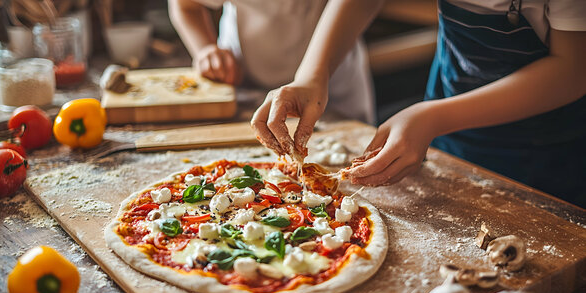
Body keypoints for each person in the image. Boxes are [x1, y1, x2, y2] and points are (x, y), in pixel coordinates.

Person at [250, 0, 586, 208]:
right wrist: (311, 77)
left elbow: (574, 69)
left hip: (547, 146)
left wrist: (434, 117)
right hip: (446, 102)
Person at [168, 0, 376, 124]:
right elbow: (186, 5)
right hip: (243, 80)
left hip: (333, 82)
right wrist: (205, 49)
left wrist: (312, 77)